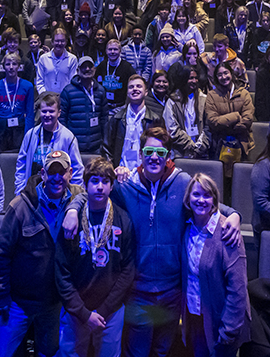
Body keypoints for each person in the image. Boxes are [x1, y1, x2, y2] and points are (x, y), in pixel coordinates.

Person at [61, 127, 243, 357]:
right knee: (137, 352)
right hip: (138, 293)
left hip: (172, 293)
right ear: (140, 154)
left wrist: (235, 214)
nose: (154, 156)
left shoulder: (182, 182)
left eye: (160, 151)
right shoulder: (126, 185)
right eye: (149, 151)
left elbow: (207, 201)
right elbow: (93, 191)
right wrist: (72, 209)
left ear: (168, 155)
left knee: (162, 351)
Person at [0, 151, 83, 357]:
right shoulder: (21, 206)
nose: (57, 178)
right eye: (52, 172)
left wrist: (75, 208)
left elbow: (97, 192)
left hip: (53, 302)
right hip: (18, 303)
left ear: (70, 173)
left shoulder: (76, 199)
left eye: (62, 172)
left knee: (48, 353)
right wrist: (1, 295)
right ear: (43, 174)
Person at [55, 156, 137, 357]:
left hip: (111, 311)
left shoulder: (123, 219)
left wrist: (104, 310)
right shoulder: (70, 220)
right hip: (75, 311)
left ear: (111, 186)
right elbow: (61, 271)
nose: (100, 187)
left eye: (105, 181)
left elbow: (128, 270)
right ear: (85, 184)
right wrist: (83, 313)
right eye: (94, 181)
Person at [180, 172, 250, 357]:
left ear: (214, 199)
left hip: (222, 325)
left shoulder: (228, 232)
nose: (201, 200)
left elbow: (238, 289)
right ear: (188, 198)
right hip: (196, 316)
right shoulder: (187, 228)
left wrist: (228, 331)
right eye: (196, 194)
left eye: (207, 195)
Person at [15, 92, 84, 194]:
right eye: (44, 111)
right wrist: (20, 191)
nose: (47, 115)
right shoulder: (30, 135)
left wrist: (74, 196)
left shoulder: (68, 138)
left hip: (58, 192)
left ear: (59, 113)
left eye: (51, 111)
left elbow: (77, 171)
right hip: (32, 192)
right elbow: (21, 166)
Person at [104, 75, 165, 172]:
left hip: (146, 173)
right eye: (131, 87)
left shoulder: (155, 119)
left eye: (139, 86)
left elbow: (162, 148)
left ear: (146, 92)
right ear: (127, 92)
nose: (135, 89)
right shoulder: (116, 118)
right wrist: (113, 170)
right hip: (120, 173)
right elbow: (107, 149)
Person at [205, 61, 255, 176]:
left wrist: (225, 125)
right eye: (220, 75)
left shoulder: (244, 93)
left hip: (242, 143)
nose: (223, 77)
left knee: (239, 180)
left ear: (231, 74)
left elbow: (247, 120)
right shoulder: (212, 95)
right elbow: (213, 121)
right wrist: (236, 116)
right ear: (216, 78)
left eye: (226, 73)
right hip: (219, 145)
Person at [0, 51, 37, 153]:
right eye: (8, 64)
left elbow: (30, 114)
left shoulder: (28, 86)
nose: (11, 67)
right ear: (3, 67)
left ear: (19, 66)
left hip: (19, 130)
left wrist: (28, 138)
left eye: (14, 64)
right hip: (0, 131)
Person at [60, 55, 108, 155]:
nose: (87, 69)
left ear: (94, 69)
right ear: (77, 70)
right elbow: (62, 119)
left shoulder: (100, 91)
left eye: (90, 66)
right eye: (83, 67)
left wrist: (104, 141)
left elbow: (104, 118)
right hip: (74, 146)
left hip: (96, 146)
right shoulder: (68, 91)